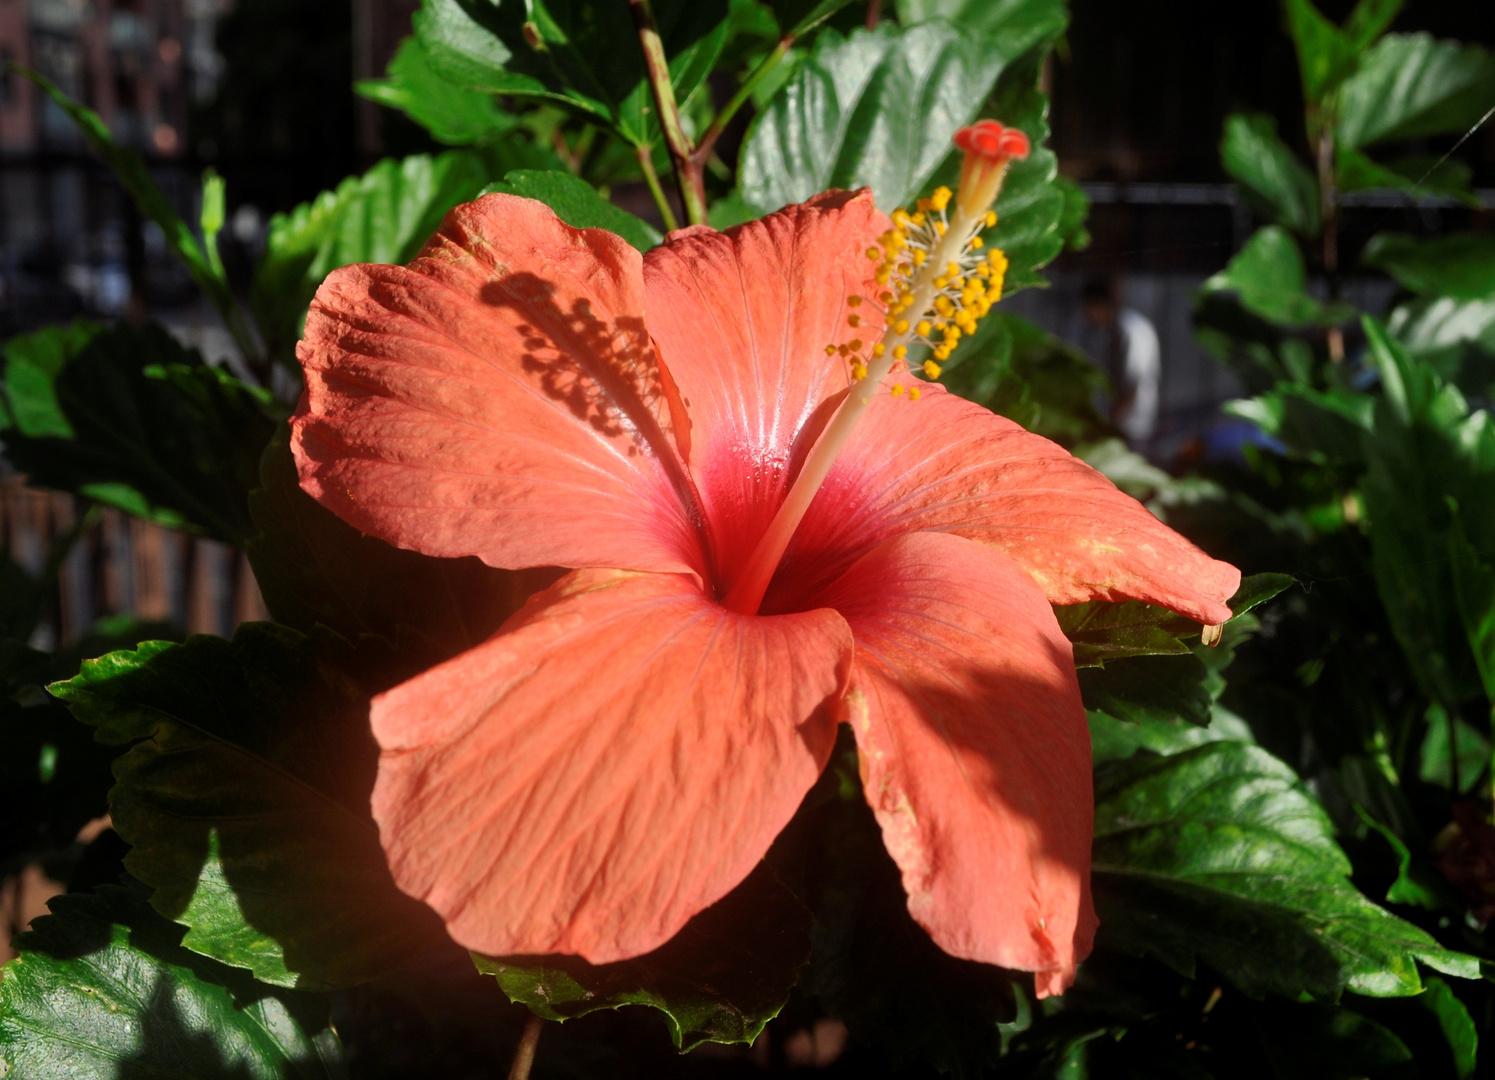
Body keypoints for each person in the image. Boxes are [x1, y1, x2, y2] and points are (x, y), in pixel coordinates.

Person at [1081, 275, 1160, 446]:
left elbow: (1133, 385)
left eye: (1088, 308)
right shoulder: (1113, 330)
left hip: (1131, 427)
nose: (1086, 315)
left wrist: (1109, 424)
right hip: (1122, 425)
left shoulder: (1130, 331)